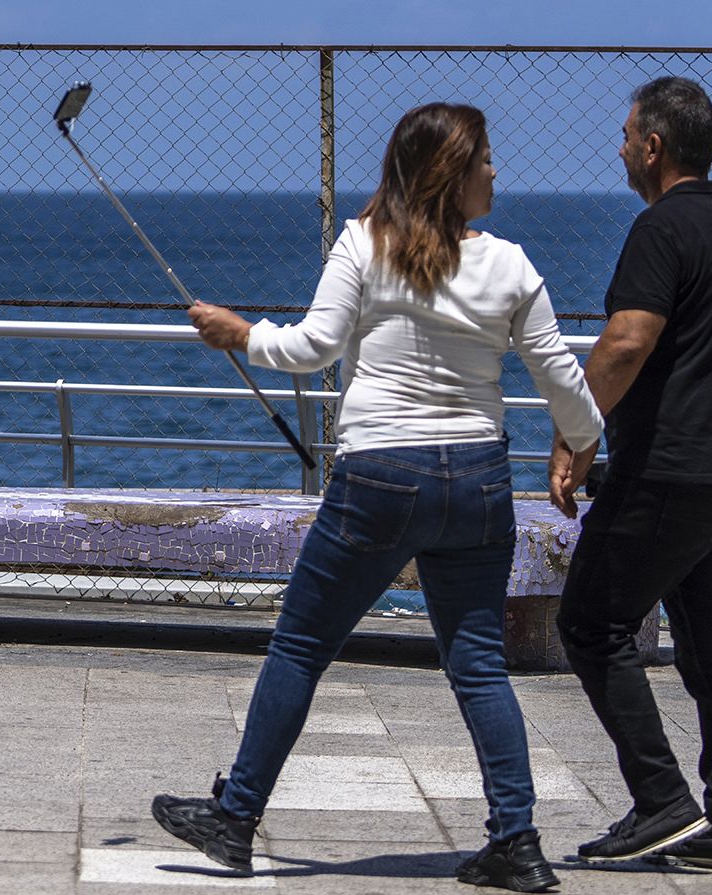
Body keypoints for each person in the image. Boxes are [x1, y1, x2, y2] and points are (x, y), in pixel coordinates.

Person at [151, 103, 602, 892]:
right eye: (484, 159)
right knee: (480, 664)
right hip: (478, 480)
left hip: (379, 477)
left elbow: (313, 348)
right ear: (448, 173)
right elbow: (561, 378)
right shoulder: (512, 265)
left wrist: (240, 333)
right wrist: (581, 445)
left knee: (301, 644)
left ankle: (236, 816)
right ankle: (517, 839)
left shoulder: (364, 245)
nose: (496, 170)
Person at [551, 77, 712, 873]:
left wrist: (575, 433)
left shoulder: (660, 228)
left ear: (654, 146)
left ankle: (660, 799)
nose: (617, 148)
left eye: (624, 134)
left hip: (670, 475)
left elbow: (624, 343)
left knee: (590, 622)